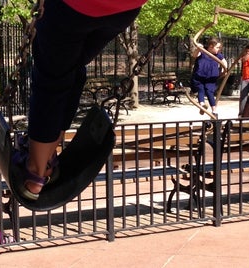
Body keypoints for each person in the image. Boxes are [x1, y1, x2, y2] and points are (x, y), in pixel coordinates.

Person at [14, 0, 148, 200]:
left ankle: (36, 173)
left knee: (52, 79)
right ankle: (48, 152)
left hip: (73, 7)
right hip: (124, 10)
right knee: (72, 67)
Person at [191, 38, 227, 117]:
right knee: (200, 89)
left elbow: (224, 62)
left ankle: (214, 110)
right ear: (211, 46)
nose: (219, 49)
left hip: (211, 77)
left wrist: (224, 70)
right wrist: (198, 48)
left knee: (209, 92)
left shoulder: (218, 55)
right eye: (217, 47)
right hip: (200, 76)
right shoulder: (202, 52)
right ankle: (202, 104)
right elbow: (194, 55)